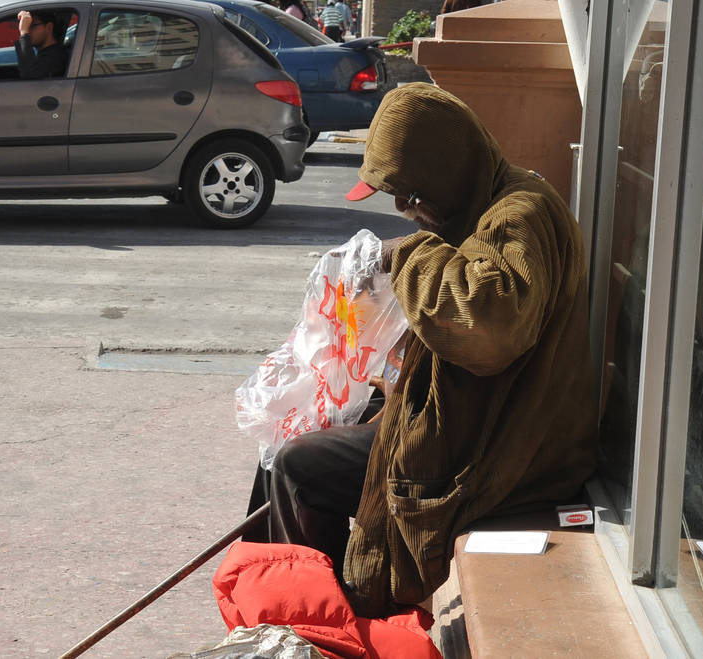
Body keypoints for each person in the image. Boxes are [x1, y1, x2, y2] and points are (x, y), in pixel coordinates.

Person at [244, 83, 598, 617]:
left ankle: (329, 618)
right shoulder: (483, 202)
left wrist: (405, 256)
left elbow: (485, 328)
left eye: (410, 195)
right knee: (287, 442)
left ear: (447, 171)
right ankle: (273, 597)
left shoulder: (519, 215)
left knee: (298, 466)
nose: (402, 209)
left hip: (502, 451)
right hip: (476, 420)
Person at [15, 10, 68, 80]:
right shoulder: (49, 53)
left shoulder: (57, 57)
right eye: (27, 26)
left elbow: (29, 76)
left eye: (32, 26)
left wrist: (24, 32)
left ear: (49, 27)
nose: (28, 30)